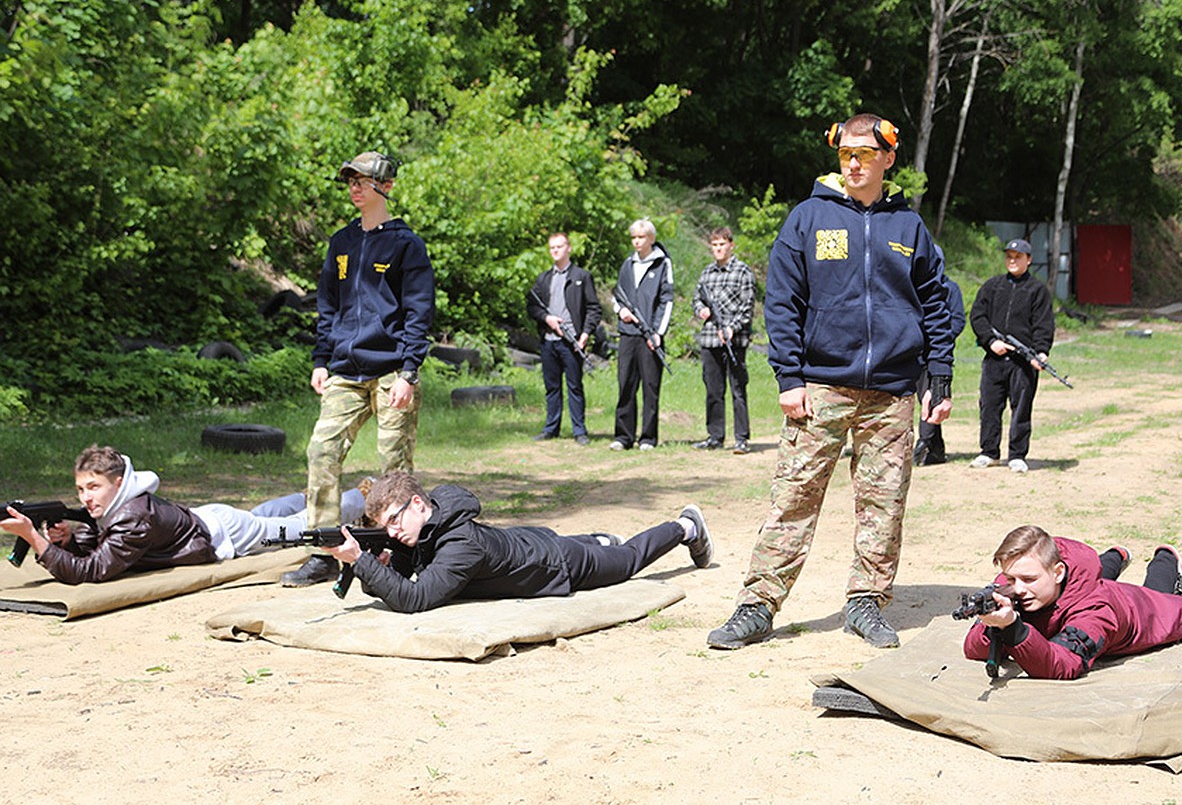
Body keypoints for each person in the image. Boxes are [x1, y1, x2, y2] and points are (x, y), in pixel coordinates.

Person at [706, 114, 956, 651]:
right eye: (846, 153)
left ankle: (866, 603)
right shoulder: (808, 218)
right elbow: (782, 302)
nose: (855, 162)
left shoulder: (908, 227)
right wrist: (789, 376)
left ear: (889, 158)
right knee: (793, 496)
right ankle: (757, 604)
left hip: (892, 392)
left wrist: (940, 373)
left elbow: (937, 301)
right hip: (819, 386)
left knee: (884, 503)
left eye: (866, 153)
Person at [285, 151, 436, 587]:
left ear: (384, 187)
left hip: (392, 372)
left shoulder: (407, 244)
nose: (354, 188)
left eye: (362, 181)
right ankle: (324, 553)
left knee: (394, 471)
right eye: (349, 181)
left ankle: (403, 553)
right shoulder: (341, 242)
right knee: (321, 452)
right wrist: (320, 360)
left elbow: (418, 311)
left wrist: (409, 371)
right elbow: (328, 306)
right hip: (345, 371)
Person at [321, 471, 714, 612]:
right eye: (384, 527)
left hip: (557, 564)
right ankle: (598, 539)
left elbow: (415, 599)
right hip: (524, 543)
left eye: (394, 521)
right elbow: (396, 582)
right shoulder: (428, 527)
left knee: (627, 560)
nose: (392, 533)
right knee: (589, 544)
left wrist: (360, 559)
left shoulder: (461, 544)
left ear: (419, 503)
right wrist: (372, 562)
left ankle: (684, 526)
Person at [0, 445, 367, 584]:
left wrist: (35, 538)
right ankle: (303, 497)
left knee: (302, 527)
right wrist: (66, 539)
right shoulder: (121, 506)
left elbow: (94, 570)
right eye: (81, 490)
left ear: (117, 481)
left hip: (223, 533)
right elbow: (99, 544)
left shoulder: (133, 517)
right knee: (265, 517)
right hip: (210, 518)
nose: (86, 497)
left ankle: (362, 496)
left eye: (93, 488)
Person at [963, 525, 1182, 680]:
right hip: (1074, 590)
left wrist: (1013, 629)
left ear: (1057, 572)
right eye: (1011, 578)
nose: (1019, 589)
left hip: (1137, 609)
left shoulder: (1097, 610)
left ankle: (1167, 560)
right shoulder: (1019, 582)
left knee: (1160, 599)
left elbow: (1064, 665)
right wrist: (992, 626)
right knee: (1093, 572)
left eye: (1028, 580)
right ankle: (1115, 557)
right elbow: (972, 649)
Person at [967, 238, 1055, 474]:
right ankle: (989, 452)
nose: (1012, 261)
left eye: (1017, 257)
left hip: (1022, 363)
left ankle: (1017, 455)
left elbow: (1044, 325)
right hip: (994, 359)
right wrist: (991, 341)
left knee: (1021, 408)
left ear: (1029, 260)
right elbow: (978, 316)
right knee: (989, 406)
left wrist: (1040, 352)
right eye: (1009, 256)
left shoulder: (1038, 291)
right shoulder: (992, 286)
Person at [526, 232, 602, 446]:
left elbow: (594, 308)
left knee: (575, 387)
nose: (555, 251)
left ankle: (580, 431)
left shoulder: (581, 276)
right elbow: (532, 305)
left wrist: (585, 333)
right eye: (552, 248)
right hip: (548, 341)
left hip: (572, 342)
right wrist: (547, 318)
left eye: (559, 247)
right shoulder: (543, 278)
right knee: (552, 387)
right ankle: (551, 428)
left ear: (569, 248)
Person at [610, 219, 674, 451]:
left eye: (641, 237)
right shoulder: (627, 264)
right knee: (625, 385)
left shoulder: (662, 264)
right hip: (627, 334)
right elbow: (616, 296)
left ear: (651, 239)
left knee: (650, 387)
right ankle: (623, 436)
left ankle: (648, 437)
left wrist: (658, 333)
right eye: (634, 238)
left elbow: (667, 300)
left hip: (650, 337)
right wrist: (621, 311)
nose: (637, 241)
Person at [691, 227, 755, 455]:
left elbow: (747, 308)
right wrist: (701, 311)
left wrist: (731, 328)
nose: (718, 249)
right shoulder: (707, 273)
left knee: (738, 389)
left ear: (731, 245)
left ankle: (741, 438)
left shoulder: (742, 272)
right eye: (715, 245)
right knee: (713, 390)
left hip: (734, 341)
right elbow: (696, 298)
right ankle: (715, 436)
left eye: (722, 244)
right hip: (709, 339)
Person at [913, 249, 966, 466]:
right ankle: (937, 451)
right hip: (915, 352)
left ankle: (923, 442)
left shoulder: (950, 288)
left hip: (937, 355)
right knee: (923, 398)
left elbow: (957, 320)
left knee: (933, 397)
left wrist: (940, 341)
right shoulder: (914, 288)